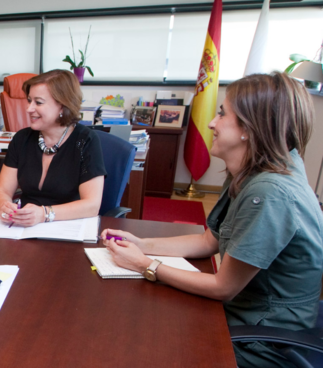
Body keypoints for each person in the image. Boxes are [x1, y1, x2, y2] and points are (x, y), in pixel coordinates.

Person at [101, 72, 323, 367]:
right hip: (241, 314)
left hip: (261, 339)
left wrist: (146, 266)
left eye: (222, 114)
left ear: (249, 128)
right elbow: (209, 240)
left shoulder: (270, 192)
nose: (211, 123)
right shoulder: (251, 169)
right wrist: (143, 244)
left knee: (141, 344)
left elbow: (223, 286)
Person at [0, 70, 106, 227]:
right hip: (23, 227)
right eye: (29, 100)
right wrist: (4, 206)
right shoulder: (21, 139)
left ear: (62, 106)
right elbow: (2, 191)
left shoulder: (86, 141)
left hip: (66, 227)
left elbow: (91, 205)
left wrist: (43, 214)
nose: (29, 109)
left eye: (38, 102)